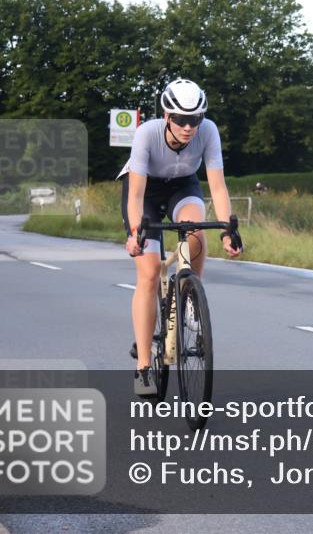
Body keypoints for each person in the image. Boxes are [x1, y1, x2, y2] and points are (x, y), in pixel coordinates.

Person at [119, 78, 242, 396]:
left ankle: (189, 294)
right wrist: (136, 234)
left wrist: (228, 229)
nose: (189, 127)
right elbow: (134, 197)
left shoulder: (208, 131)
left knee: (197, 230)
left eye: (195, 119)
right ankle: (144, 366)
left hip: (182, 186)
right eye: (181, 120)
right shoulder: (147, 133)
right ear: (166, 116)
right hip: (145, 192)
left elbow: (217, 186)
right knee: (148, 273)